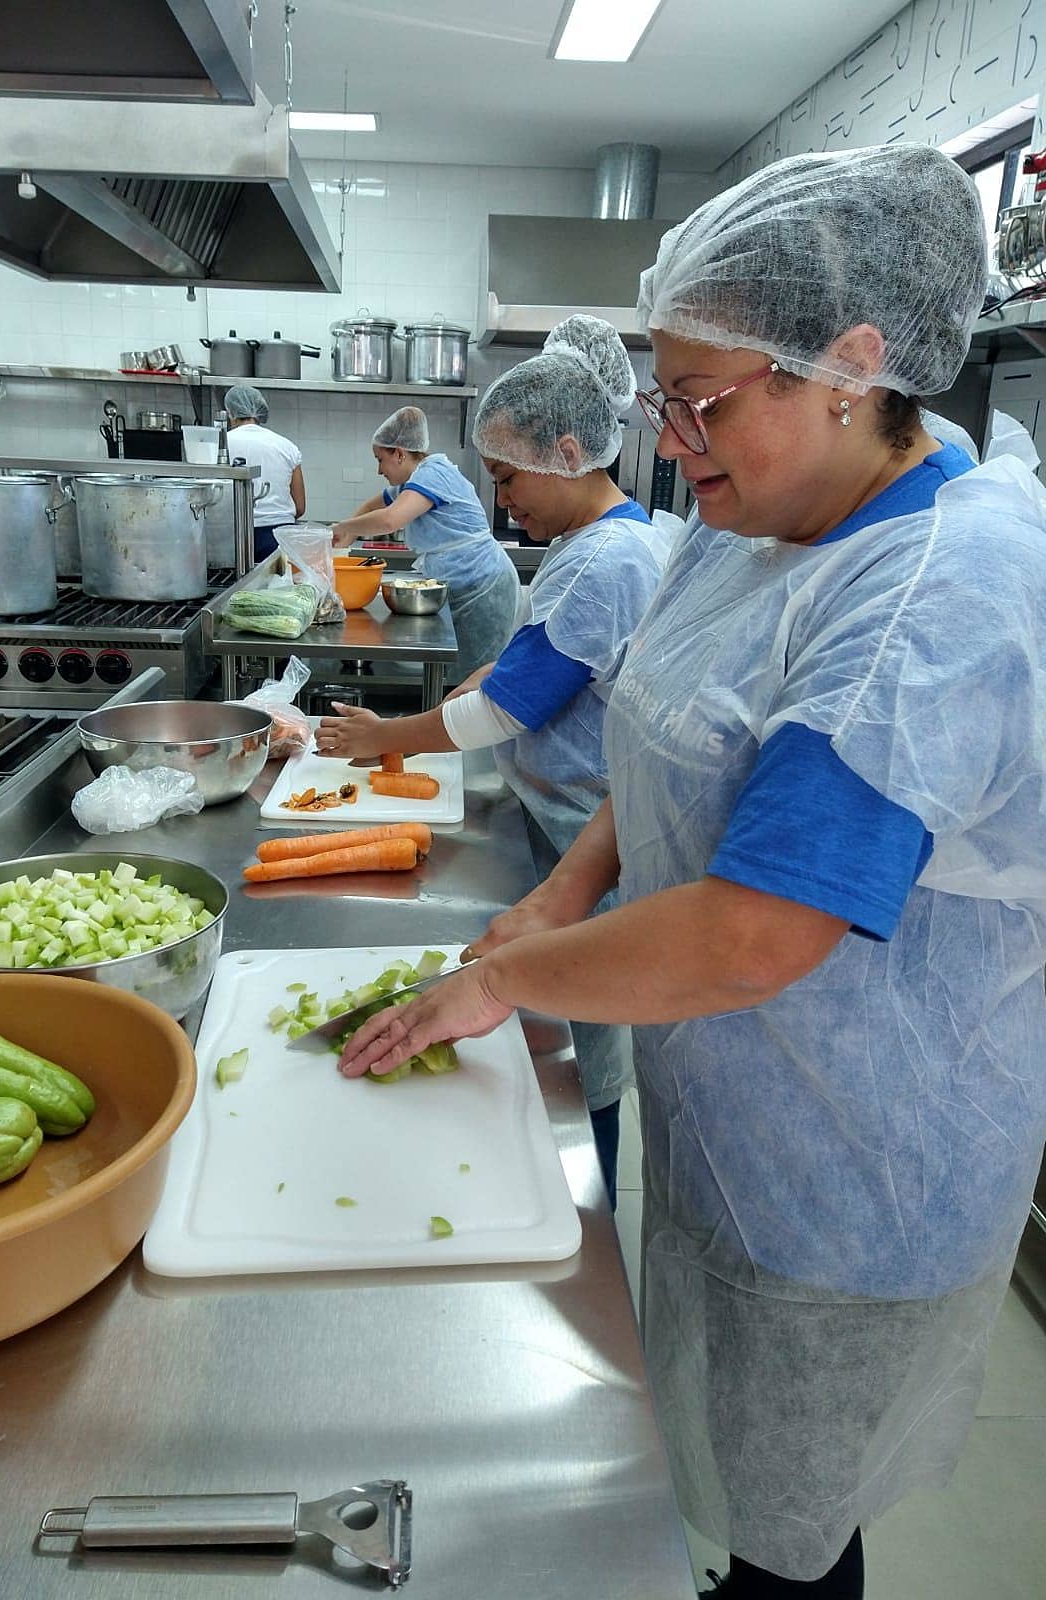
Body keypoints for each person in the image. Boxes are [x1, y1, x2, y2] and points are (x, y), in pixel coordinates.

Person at [333, 145, 1046, 1599]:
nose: (672, 439)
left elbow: (753, 934)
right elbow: (667, 720)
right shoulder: (754, 520)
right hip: (740, 1099)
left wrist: (512, 978)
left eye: (702, 400)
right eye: (665, 397)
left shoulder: (933, 596)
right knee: (724, 1451)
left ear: (848, 367)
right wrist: (560, 892)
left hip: (858, 1152)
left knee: (798, 1519)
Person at [316, 317, 673, 1202]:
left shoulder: (607, 562)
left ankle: (582, 1186)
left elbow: (502, 711)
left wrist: (384, 739)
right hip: (557, 823)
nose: (502, 498)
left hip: (587, 837)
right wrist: (428, 713)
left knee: (584, 1044)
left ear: (565, 451)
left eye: (510, 477)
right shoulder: (591, 545)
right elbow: (515, 667)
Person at [329, 405, 520, 676]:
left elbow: (389, 520)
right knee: (457, 674)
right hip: (464, 582)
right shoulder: (415, 479)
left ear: (399, 453)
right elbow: (376, 504)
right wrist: (348, 532)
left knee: (476, 677)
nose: (378, 470)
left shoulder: (433, 473)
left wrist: (341, 527)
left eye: (380, 459)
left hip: (483, 585)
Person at [223, 383, 306, 562]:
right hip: (278, 536)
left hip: (230, 535)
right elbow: (300, 507)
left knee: (232, 587)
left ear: (230, 413)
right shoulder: (287, 446)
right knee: (275, 587)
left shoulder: (220, 444)